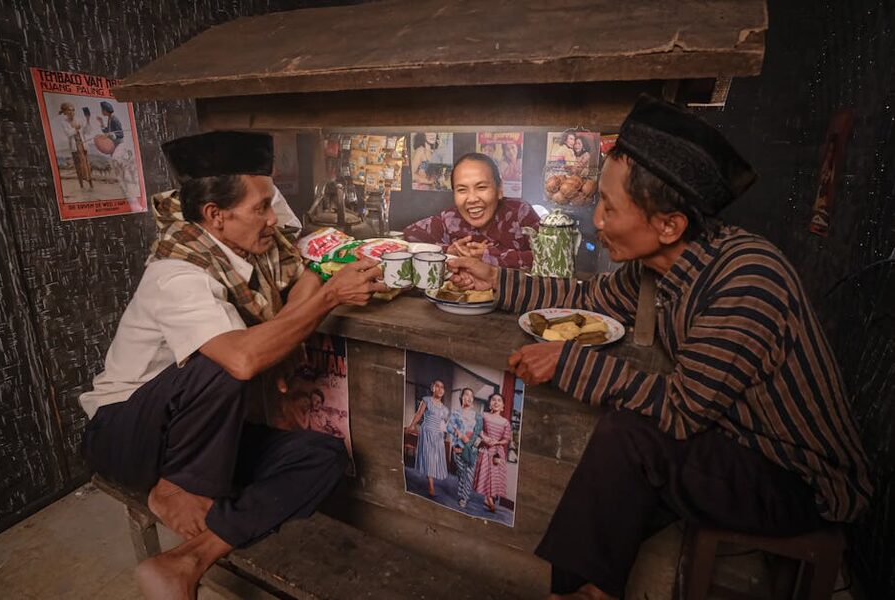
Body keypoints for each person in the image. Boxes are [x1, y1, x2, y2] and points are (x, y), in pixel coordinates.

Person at [447, 95, 872, 600]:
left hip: (795, 477)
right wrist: (497, 280)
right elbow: (587, 296)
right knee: (619, 461)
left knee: (629, 438)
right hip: (733, 439)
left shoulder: (746, 279)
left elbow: (682, 409)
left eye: (609, 207)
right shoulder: (660, 269)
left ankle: (575, 590)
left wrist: (568, 361)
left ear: (669, 225)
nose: (597, 221)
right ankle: (585, 587)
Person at [78, 130, 387, 600]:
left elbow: (301, 275)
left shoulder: (250, 252)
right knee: (225, 361)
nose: (272, 219)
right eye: (261, 208)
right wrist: (330, 296)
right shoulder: (176, 271)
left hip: (195, 434)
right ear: (216, 216)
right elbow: (242, 360)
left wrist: (309, 298)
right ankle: (174, 485)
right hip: (126, 432)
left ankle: (188, 560)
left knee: (321, 458)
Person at [403, 152, 540, 269]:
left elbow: (553, 258)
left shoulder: (520, 213)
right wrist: (448, 251)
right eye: (462, 190)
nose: (472, 199)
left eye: (481, 187)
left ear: (499, 190)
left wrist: (490, 256)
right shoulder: (450, 219)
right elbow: (407, 238)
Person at [405, 379, 450, 497]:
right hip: (426, 432)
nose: (440, 389)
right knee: (429, 456)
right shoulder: (426, 400)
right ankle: (431, 484)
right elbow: (419, 414)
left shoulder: (445, 409)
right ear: (432, 388)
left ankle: (430, 477)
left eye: (442, 387)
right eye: (437, 386)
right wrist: (411, 425)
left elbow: (447, 423)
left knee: (435, 458)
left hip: (438, 435)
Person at [473, 393, 511, 513]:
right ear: (490, 403)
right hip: (485, 449)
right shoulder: (484, 415)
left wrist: (497, 442)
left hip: (497, 452)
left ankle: (488, 498)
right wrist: (485, 438)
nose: (496, 402)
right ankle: (489, 499)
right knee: (486, 473)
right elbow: (478, 429)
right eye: (493, 400)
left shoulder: (505, 422)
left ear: (503, 406)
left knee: (494, 475)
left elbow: (506, 439)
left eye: (499, 400)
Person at [446, 388, 483, 508]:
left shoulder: (476, 416)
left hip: (471, 449)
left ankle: (464, 497)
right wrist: (459, 433)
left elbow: (478, 432)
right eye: (466, 394)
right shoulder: (456, 413)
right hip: (459, 448)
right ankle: (462, 493)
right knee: (462, 473)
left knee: (469, 474)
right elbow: (449, 428)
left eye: (471, 396)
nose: (469, 397)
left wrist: (477, 441)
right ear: (461, 397)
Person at [58, 102, 94, 190]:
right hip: (75, 147)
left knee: (87, 165)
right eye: (69, 110)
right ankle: (81, 185)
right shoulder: (64, 122)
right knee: (78, 166)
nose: (71, 112)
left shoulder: (79, 120)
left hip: (82, 145)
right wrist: (76, 128)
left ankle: (91, 185)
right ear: (65, 112)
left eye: (73, 110)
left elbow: (87, 132)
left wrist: (88, 120)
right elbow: (68, 134)